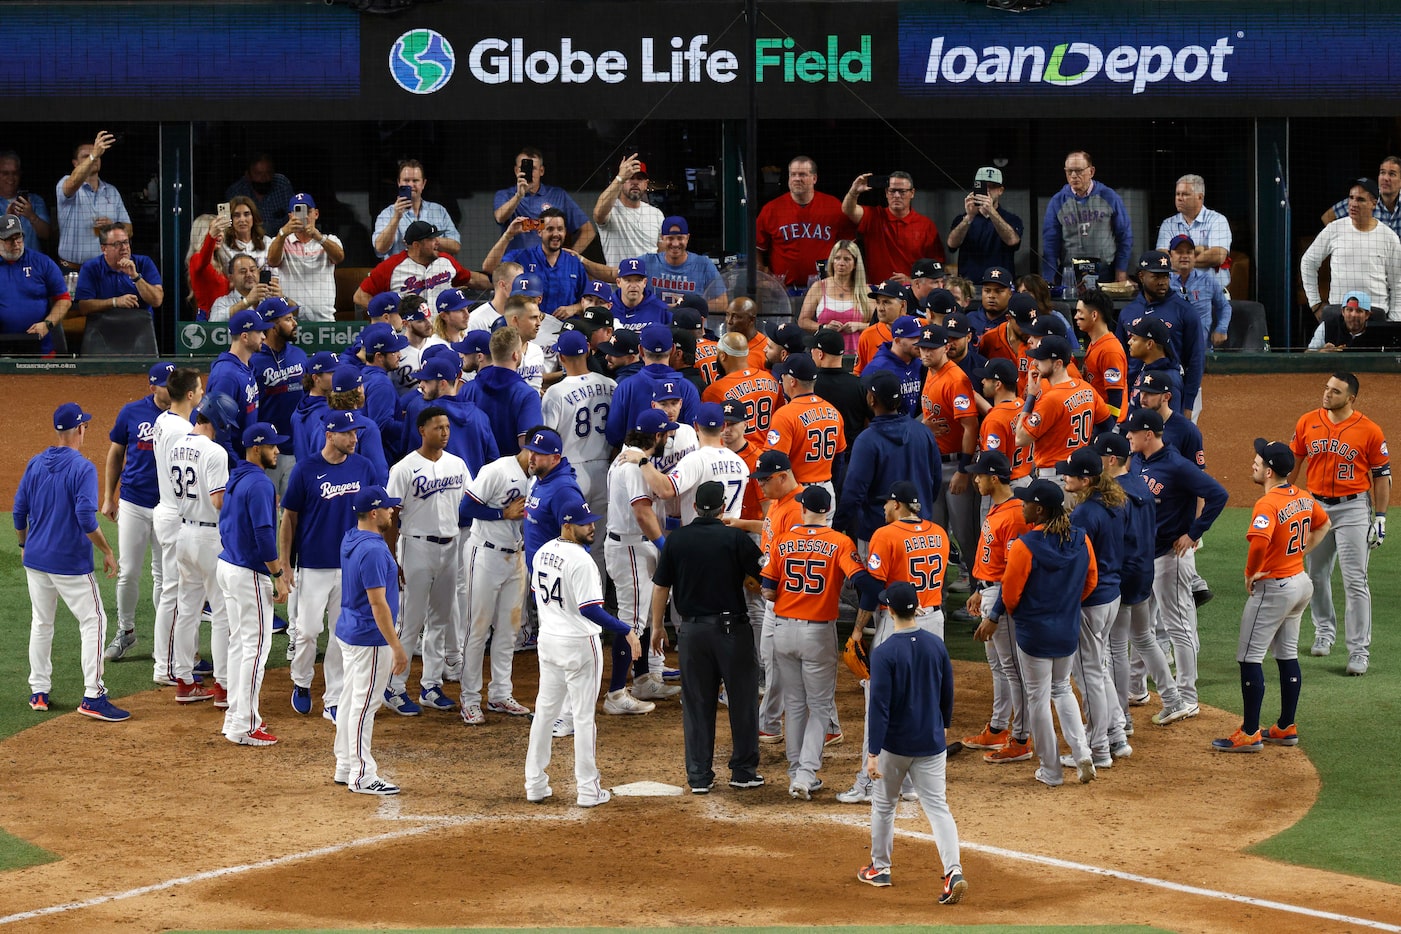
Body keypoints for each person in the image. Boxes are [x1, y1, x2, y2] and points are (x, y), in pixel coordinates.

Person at [1213, 440, 1330, 753]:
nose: (1254, 462)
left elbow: (1259, 544)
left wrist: (1251, 573)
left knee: (1249, 658)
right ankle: (1285, 726)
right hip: (1300, 583)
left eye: (1258, 459)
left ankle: (1250, 732)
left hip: (1276, 588)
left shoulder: (1267, 505)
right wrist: (1299, 553)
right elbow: (1324, 523)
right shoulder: (1303, 496)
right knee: (1287, 654)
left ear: (1269, 471)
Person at [837, 481, 950, 804]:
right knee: (921, 697)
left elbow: (873, 590)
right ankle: (913, 783)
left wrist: (858, 630)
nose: (883, 507)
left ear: (898, 505)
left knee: (880, 700)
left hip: (898, 623)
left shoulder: (885, 536)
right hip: (932, 622)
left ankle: (868, 782)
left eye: (887, 502)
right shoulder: (939, 533)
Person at [650, 480, 765, 793]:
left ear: (696, 507)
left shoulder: (677, 540)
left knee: (697, 703)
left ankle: (699, 776)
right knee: (742, 701)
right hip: (732, 631)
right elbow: (766, 574)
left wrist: (658, 626)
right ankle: (742, 771)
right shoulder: (734, 538)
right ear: (722, 508)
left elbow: (661, 586)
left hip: (692, 632)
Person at [523, 501, 639, 808]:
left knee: (546, 712)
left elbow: (537, 593)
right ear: (566, 525)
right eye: (585, 523)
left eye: (592, 521)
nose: (592, 527)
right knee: (583, 718)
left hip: (549, 641)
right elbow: (590, 609)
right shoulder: (582, 561)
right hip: (578, 643)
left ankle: (534, 784)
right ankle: (588, 790)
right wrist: (625, 629)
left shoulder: (544, 551)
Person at [858, 580, 965, 904]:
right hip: (931, 742)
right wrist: (943, 726)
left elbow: (879, 707)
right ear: (916, 608)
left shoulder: (885, 651)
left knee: (884, 806)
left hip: (894, 746)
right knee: (938, 809)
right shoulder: (935, 644)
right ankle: (953, 871)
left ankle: (880, 868)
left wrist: (873, 753)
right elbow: (947, 691)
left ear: (889, 610)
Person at [985, 479, 1099, 787]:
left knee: (1037, 698)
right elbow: (1091, 581)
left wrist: (1026, 613)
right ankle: (1082, 752)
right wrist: (1067, 606)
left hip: (1034, 632)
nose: (1022, 507)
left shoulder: (1025, 546)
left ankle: (1051, 770)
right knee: (1062, 689)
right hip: (1066, 629)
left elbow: (1009, 596)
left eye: (1026, 504)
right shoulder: (1081, 539)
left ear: (1039, 509)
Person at [16, 402, 123, 720]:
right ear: (80, 429)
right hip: (69, 563)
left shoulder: (35, 463)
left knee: (42, 623)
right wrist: (106, 550)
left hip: (35, 560)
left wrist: (23, 543)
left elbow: (19, 510)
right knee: (95, 621)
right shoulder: (83, 468)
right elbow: (85, 518)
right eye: (85, 425)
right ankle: (93, 695)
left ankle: (38, 691)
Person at [761, 485, 866, 799]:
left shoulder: (782, 542)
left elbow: (767, 590)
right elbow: (859, 580)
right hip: (818, 633)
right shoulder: (840, 542)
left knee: (794, 704)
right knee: (819, 706)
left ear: (803, 509)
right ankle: (804, 776)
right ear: (828, 512)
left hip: (782, 629)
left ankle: (796, 771)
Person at [1124, 408, 1228, 720]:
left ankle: (1187, 697)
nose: (1127, 436)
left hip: (1172, 558)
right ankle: (1136, 687)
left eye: (1132, 432)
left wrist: (1193, 533)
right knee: (1142, 627)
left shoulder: (1177, 465)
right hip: (1146, 557)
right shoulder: (1139, 459)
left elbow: (1218, 494)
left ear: (1148, 435)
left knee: (1178, 628)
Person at [1289, 373, 1391, 675]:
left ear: (1351, 398)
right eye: (1326, 389)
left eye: (1335, 391)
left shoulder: (1369, 430)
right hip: (1317, 508)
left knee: (1355, 580)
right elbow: (1294, 462)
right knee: (1316, 575)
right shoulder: (1307, 421)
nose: (1327, 394)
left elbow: (1381, 476)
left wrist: (1381, 517)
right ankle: (1324, 631)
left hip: (1354, 509)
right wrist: (1287, 498)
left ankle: (1359, 651)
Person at [281, 410, 379, 721]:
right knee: (307, 631)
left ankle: (334, 696)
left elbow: (373, 516)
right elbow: (289, 519)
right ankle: (301, 681)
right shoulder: (306, 470)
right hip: (313, 565)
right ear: (329, 435)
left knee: (341, 634)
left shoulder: (364, 467)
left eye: (355, 433)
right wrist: (285, 562)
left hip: (350, 566)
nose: (354, 438)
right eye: (348, 433)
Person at [1094, 431, 1179, 743]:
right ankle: (1172, 699)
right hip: (1145, 570)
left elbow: (1116, 542)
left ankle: (1123, 717)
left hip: (1124, 575)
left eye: (1099, 457)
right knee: (1143, 637)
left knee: (1117, 648)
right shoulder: (1142, 482)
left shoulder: (1114, 493)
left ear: (1111, 459)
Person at [385, 406, 468, 715]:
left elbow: (468, 504)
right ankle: (394, 687)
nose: (445, 432)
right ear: (422, 430)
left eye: (447, 427)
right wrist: (393, 557)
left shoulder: (457, 465)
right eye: (438, 427)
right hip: (415, 547)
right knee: (410, 622)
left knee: (440, 620)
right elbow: (391, 516)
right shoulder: (404, 469)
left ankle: (431, 685)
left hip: (450, 548)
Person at [217, 422, 290, 746]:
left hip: (229, 565)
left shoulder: (238, 476)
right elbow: (263, 534)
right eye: (272, 445)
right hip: (248, 571)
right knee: (255, 650)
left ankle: (235, 718)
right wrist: (278, 575)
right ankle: (244, 726)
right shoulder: (259, 483)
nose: (277, 450)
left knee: (239, 646)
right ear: (256, 448)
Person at [334, 485, 410, 795]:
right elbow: (378, 604)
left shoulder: (351, 537)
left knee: (352, 699)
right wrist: (396, 646)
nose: (393, 511)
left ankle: (345, 765)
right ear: (375, 512)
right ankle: (362, 774)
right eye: (389, 507)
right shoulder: (374, 550)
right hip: (370, 638)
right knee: (365, 705)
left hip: (350, 630)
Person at [100, 363, 172, 679]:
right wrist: (108, 496)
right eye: (165, 384)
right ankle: (126, 631)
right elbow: (116, 453)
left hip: (169, 508)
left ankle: (162, 639)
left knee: (163, 576)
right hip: (133, 502)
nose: (170, 389)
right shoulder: (132, 412)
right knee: (128, 572)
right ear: (152, 385)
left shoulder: (187, 415)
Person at [168, 393, 239, 707]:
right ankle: (223, 686)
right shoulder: (215, 451)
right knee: (221, 612)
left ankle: (184, 680)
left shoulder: (176, 444)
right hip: (210, 539)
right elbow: (219, 501)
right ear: (219, 420)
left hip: (182, 534)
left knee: (187, 609)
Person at [601, 410, 674, 715]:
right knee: (631, 621)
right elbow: (642, 514)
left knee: (639, 617)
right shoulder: (632, 467)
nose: (669, 437)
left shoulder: (626, 457)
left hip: (629, 545)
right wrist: (664, 547)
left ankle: (642, 679)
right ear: (657, 436)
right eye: (666, 433)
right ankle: (616, 694)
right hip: (630, 546)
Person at [962, 452, 1033, 763]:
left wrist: (995, 613)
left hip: (1004, 599)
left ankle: (1021, 739)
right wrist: (980, 589)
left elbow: (1013, 571)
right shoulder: (999, 507)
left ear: (994, 477)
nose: (975, 479)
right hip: (990, 591)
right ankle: (997, 728)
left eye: (979, 474)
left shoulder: (1015, 515)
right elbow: (994, 561)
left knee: (1014, 670)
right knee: (1000, 668)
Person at [1058, 447, 1125, 770]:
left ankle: (1098, 748)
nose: (1064, 476)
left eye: (1069, 474)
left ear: (1086, 480)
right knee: (1098, 670)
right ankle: (1117, 735)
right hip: (1111, 595)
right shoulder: (1112, 503)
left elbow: (1078, 561)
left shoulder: (1085, 513)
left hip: (1092, 600)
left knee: (1089, 677)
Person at [459, 448, 531, 725]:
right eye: (535, 454)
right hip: (485, 555)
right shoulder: (497, 471)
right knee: (477, 629)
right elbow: (465, 508)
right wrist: (502, 513)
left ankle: (501, 693)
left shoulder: (539, 478)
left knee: (509, 630)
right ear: (526, 450)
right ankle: (470, 699)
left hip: (516, 557)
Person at [835, 371, 941, 548]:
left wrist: (837, 527)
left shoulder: (867, 440)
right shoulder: (922, 432)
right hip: (919, 531)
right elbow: (935, 481)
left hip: (878, 532)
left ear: (872, 400)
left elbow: (854, 492)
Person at [916, 325, 978, 579]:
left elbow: (970, 426)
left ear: (946, 348)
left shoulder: (956, 379)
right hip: (932, 465)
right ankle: (936, 598)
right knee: (934, 533)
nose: (926, 352)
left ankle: (979, 593)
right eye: (922, 347)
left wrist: (964, 470)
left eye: (932, 348)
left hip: (954, 465)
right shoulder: (929, 372)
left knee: (966, 535)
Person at [1116, 250, 1205, 418]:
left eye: (1165, 276)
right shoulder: (1128, 312)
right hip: (1135, 393)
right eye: (1156, 277)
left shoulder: (1185, 311)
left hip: (1172, 392)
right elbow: (1120, 357)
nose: (1163, 282)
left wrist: (1188, 403)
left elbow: (1196, 358)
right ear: (1141, 276)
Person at [1302, 178, 1401, 322]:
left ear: (1374, 203)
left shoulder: (1389, 237)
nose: (1353, 204)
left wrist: (1394, 321)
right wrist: (1315, 304)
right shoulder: (1334, 229)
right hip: (1339, 314)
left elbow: (1397, 283)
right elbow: (1308, 262)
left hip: (1375, 316)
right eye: (1351, 198)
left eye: (1360, 199)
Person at [1014, 337, 1112, 481]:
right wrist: (1087, 451)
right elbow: (1107, 424)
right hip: (1078, 475)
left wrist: (1031, 396)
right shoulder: (1086, 388)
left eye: (1041, 360)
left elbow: (1020, 439)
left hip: (1055, 476)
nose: (1035, 363)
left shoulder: (1051, 399)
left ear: (1058, 364)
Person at [756, 156, 856, 289]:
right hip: (784, 289)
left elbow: (848, 247)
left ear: (814, 178)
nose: (797, 179)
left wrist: (843, 278)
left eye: (802, 174)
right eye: (793, 175)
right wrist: (763, 275)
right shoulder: (771, 209)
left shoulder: (833, 206)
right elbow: (757, 248)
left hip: (826, 287)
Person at [354, 220, 488, 313]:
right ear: (417, 245)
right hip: (408, 334)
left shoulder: (445, 261)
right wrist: (389, 314)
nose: (437, 242)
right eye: (431, 239)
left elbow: (472, 279)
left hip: (442, 331)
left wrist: (500, 282)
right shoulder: (390, 267)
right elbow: (360, 296)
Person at [1041, 150, 1132, 285]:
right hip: (1070, 273)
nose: (1073, 176)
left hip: (1104, 272)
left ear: (1091, 171)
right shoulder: (1057, 201)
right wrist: (1049, 278)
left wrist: (1121, 270)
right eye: (1069, 171)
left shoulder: (1109, 197)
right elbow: (1050, 244)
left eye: (1078, 171)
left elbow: (1124, 236)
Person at [764, 354, 846, 498]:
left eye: (783, 376)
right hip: (827, 490)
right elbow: (839, 459)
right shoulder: (834, 412)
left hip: (798, 492)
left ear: (793, 381)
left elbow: (774, 460)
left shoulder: (785, 415)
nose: (781, 380)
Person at [606, 324, 700, 448]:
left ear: (640, 351)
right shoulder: (688, 388)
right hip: (677, 464)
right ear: (672, 349)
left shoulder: (625, 387)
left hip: (636, 462)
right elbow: (693, 434)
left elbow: (614, 436)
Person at [841, 171, 944, 284]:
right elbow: (848, 210)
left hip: (912, 294)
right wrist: (854, 192)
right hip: (876, 293)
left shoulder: (926, 225)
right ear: (886, 192)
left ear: (912, 193)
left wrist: (912, 281)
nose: (896, 195)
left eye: (902, 191)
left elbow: (936, 268)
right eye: (892, 191)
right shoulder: (873, 216)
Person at [249, 297, 306, 496]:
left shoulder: (299, 355)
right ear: (273, 325)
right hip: (268, 449)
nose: (295, 323)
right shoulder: (254, 361)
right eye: (289, 319)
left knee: (293, 513)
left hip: (297, 448)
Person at [494, 147, 594, 254]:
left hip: (548, 266)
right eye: (523, 168)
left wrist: (569, 257)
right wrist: (519, 195)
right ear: (516, 171)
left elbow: (588, 231)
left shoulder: (558, 195)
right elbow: (500, 217)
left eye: (533, 169)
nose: (529, 173)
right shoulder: (504, 195)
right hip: (515, 265)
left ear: (541, 171)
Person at [462, 327, 543, 457]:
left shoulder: (467, 389)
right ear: (515, 355)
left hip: (477, 471)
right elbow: (527, 444)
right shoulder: (527, 395)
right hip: (512, 472)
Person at [56, 131, 131, 269]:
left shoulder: (112, 191)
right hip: (72, 269)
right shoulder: (65, 182)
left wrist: (113, 226)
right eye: (86, 156)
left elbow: (129, 230)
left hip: (103, 269)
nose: (94, 158)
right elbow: (72, 184)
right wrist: (94, 154)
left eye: (98, 156)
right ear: (75, 163)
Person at [0, 215, 71, 355]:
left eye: (18, 237)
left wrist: (47, 324)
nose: (16, 243)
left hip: (40, 345)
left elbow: (64, 300)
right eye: (9, 239)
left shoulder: (42, 263)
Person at [266, 192, 343, 322]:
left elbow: (339, 258)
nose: (304, 216)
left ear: (316, 214)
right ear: (290, 216)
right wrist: (283, 233)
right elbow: (272, 261)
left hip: (324, 319)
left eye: (308, 211)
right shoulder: (281, 241)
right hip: (289, 319)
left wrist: (318, 237)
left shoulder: (329, 239)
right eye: (298, 211)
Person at [945, 166, 1023, 286]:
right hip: (969, 286)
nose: (987, 191)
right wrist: (969, 217)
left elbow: (1013, 241)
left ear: (1000, 190)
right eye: (982, 186)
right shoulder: (963, 218)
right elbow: (951, 244)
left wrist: (991, 212)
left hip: (1000, 285)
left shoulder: (1011, 219)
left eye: (992, 187)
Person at [1155, 174, 1233, 293]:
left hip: (1211, 291)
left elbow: (1217, 256)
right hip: (1176, 291)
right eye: (1177, 194)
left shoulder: (1217, 220)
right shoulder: (1168, 224)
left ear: (1200, 197)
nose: (1179, 198)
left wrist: (1178, 257)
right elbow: (1162, 258)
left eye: (1185, 194)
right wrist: (1200, 249)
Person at [207, 308, 268, 458]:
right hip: (233, 465)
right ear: (245, 337)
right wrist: (236, 466)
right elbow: (219, 430)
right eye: (259, 332)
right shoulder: (226, 376)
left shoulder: (246, 367)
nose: (264, 337)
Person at [701, 333, 782, 446]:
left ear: (723, 356)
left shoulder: (715, 390)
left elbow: (711, 434)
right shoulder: (771, 380)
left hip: (736, 455)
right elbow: (780, 422)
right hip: (768, 453)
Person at [373, 159, 461, 258]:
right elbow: (380, 248)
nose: (411, 185)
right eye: (406, 180)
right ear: (399, 183)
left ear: (423, 183)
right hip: (400, 271)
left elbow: (456, 246)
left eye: (415, 180)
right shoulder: (387, 214)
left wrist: (427, 239)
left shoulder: (439, 211)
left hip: (434, 271)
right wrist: (396, 218)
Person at [74, 224, 164, 317]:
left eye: (126, 242)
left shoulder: (144, 263)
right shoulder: (90, 267)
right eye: (117, 244)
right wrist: (115, 302)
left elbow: (157, 301)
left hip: (139, 326)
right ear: (104, 249)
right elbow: (83, 307)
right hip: (104, 327)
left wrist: (135, 276)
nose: (124, 247)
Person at [642, 216, 727, 312]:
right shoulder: (647, 262)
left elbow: (722, 303)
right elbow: (622, 277)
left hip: (691, 325)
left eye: (680, 238)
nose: (675, 243)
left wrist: (689, 306)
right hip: (656, 324)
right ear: (662, 238)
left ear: (687, 238)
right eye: (670, 238)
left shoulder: (703, 265)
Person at [797, 240, 869, 354]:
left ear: (855, 264)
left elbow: (878, 325)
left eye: (847, 259)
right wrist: (824, 327)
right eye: (837, 258)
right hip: (823, 356)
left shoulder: (864, 291)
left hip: (855, 356)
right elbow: (802, 321)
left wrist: (859, 326)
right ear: (832, 261)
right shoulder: (819, 287)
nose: (841, 263)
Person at [592, 153, 663, 265]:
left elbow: (662, 255)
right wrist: (620, 177)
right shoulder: (611, 210)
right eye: (630, 178)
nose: (635, 182)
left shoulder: (656, 214)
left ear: (646, 184)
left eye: (639, 178)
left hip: (648, 281)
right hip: (618, 280)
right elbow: (598, 214)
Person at [975, 359, 1032, 488]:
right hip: (1026, 480)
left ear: (998, 384)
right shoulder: (1023, 407)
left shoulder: (995, 420)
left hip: (1003, 486)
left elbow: (993, 463)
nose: (982, 381)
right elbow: (1003, 416)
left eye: (987, 378)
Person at [1167, 234, 1230, 349]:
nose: (1185, 256)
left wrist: (1222, 328)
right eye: (1179, 252)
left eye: (1189, 252)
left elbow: (1224, 306)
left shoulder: (1208, 280)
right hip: (1171, 351)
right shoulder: (1164, 282)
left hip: (1202, 350)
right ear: (1170, 255)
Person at [1074, 288, 1129, 422]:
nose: (1076, 316)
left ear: (1094, 315)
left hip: (1110, 424)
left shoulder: (1110, 350)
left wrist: (1105, 431)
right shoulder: (1095, 342)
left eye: (1080, 312)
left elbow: (1115, 399)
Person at [1321, 156, 1401, 238]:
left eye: (1392, 174)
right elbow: (1327, 217)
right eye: (1382, 172)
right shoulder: (1362, 199)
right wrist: (1343, 241)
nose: (1385, 178)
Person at [861, 315, 924, 419]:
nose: (920, 342)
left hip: (911, 429)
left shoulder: (919, 363)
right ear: (898, 341)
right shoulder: (877, 368)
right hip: (885, 431)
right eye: (914, 338)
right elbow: (865, 409)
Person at [606, 256, 674, 334]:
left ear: (644, 282)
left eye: (638, 280)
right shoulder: (608, 307)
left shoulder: (660, 309)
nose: (633, 285)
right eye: (628, 280)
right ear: (618, 282)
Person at [225, 153, 294, 229]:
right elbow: (229, 226)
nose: (264, 178)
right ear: (248, 175)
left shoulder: (282, 184)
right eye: (258, 174)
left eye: (268, 173)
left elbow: (294, 215)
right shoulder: (236, 191)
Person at [1306, 290, 1386, 352]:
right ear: (1343, 312)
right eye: (1349, 310)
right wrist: (1321, 353)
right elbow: (1307, 355)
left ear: (1367, 315)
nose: (1353, 315)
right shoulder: (1326, 326)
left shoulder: (1379, 331)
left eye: (1359, 311)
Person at [0, 150, 51, 244]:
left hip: (32, 258)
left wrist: (31, 216)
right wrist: (7, 220)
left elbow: (47, 234)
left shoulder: (35, 200)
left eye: (15, 173)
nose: (11, 178)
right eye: (5, 173)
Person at [215, 197, 273, 271]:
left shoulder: (267, 242)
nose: (242, 219)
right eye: (237, 215)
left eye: (246, 214)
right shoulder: (223, 246)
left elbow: (275, 275)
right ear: (230, 219)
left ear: (253, 217)